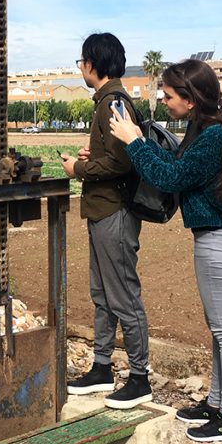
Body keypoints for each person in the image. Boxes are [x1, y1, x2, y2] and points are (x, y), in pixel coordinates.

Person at [109, 59, 222, 442]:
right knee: (220, 330)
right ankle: (217, 403)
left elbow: (170, 177)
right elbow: (177, 163)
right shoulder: (209, 124)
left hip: (219, 241)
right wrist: (143, 141)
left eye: (169, 95)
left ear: (191, 99)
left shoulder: (212, 136)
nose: (164, 100)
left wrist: (135, 142)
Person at [59, 32, 152, 409]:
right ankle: (101, 367)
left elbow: (123, 160)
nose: (81, 67)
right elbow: (113, 152)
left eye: (82, 62)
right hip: (102, 212)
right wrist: (92, 151)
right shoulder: (108, 101)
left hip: (114, 212)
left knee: (123, 295)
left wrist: (77, 167)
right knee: (102, 295)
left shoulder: (113, 102)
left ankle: (140, 376)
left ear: (92, 64)